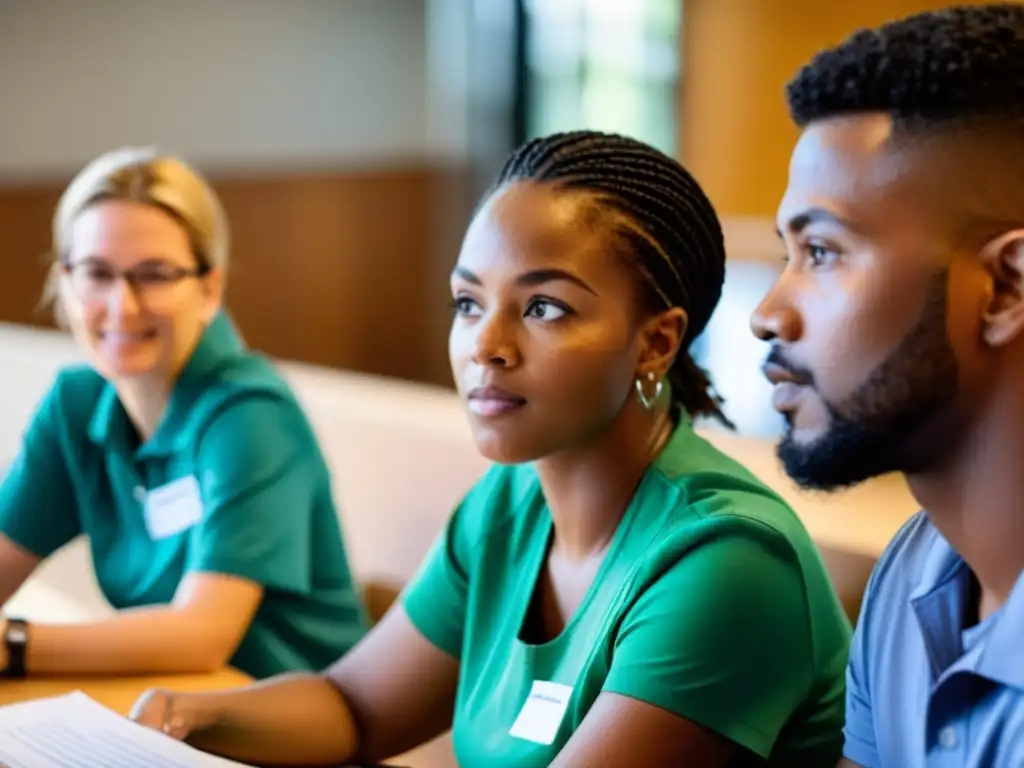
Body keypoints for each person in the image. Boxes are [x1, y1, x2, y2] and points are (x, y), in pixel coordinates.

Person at [130, 131, 851, 767]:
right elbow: (354, 707)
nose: (486, 347)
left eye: (544, 308)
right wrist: (185, 718)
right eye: (469, 303)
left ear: (656, 341)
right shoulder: (508, 505)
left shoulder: (726, 561)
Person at [751, 6, 1024, 767]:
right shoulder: (918, 574)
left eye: (824, 252)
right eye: (787, 253)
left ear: (1003, 287)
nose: (767, 314)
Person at [0, 147, 367, 681]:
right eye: (97, 273)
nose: (122, 306)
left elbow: (201, 636)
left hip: (297, 730)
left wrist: (12, 644)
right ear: (65, 280)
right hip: (173, 713)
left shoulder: (250, 415)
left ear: (209, 288)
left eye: (153, 275)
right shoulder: (75, 406)